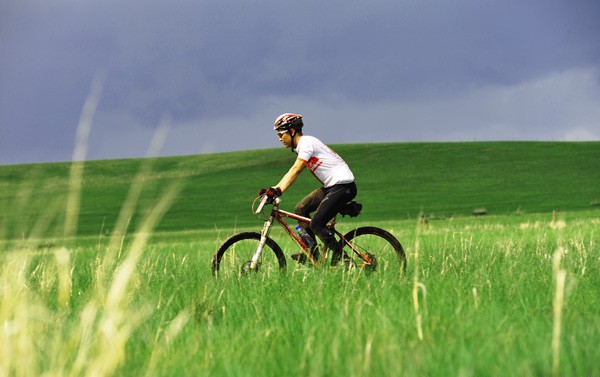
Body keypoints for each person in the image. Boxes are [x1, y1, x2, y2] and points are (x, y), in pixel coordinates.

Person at [259, 113, 357, 266]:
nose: (279, 138)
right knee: (300, 209)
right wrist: (274, 189)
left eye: (281, 134)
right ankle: (313, 253)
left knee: (316, 224)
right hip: (333, 187)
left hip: (343, 186)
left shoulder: (306, 143)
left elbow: (295, 170)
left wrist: (278, 190)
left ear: (292, 131)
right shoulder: (302, 147)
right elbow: (292, 171)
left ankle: (344, 260)